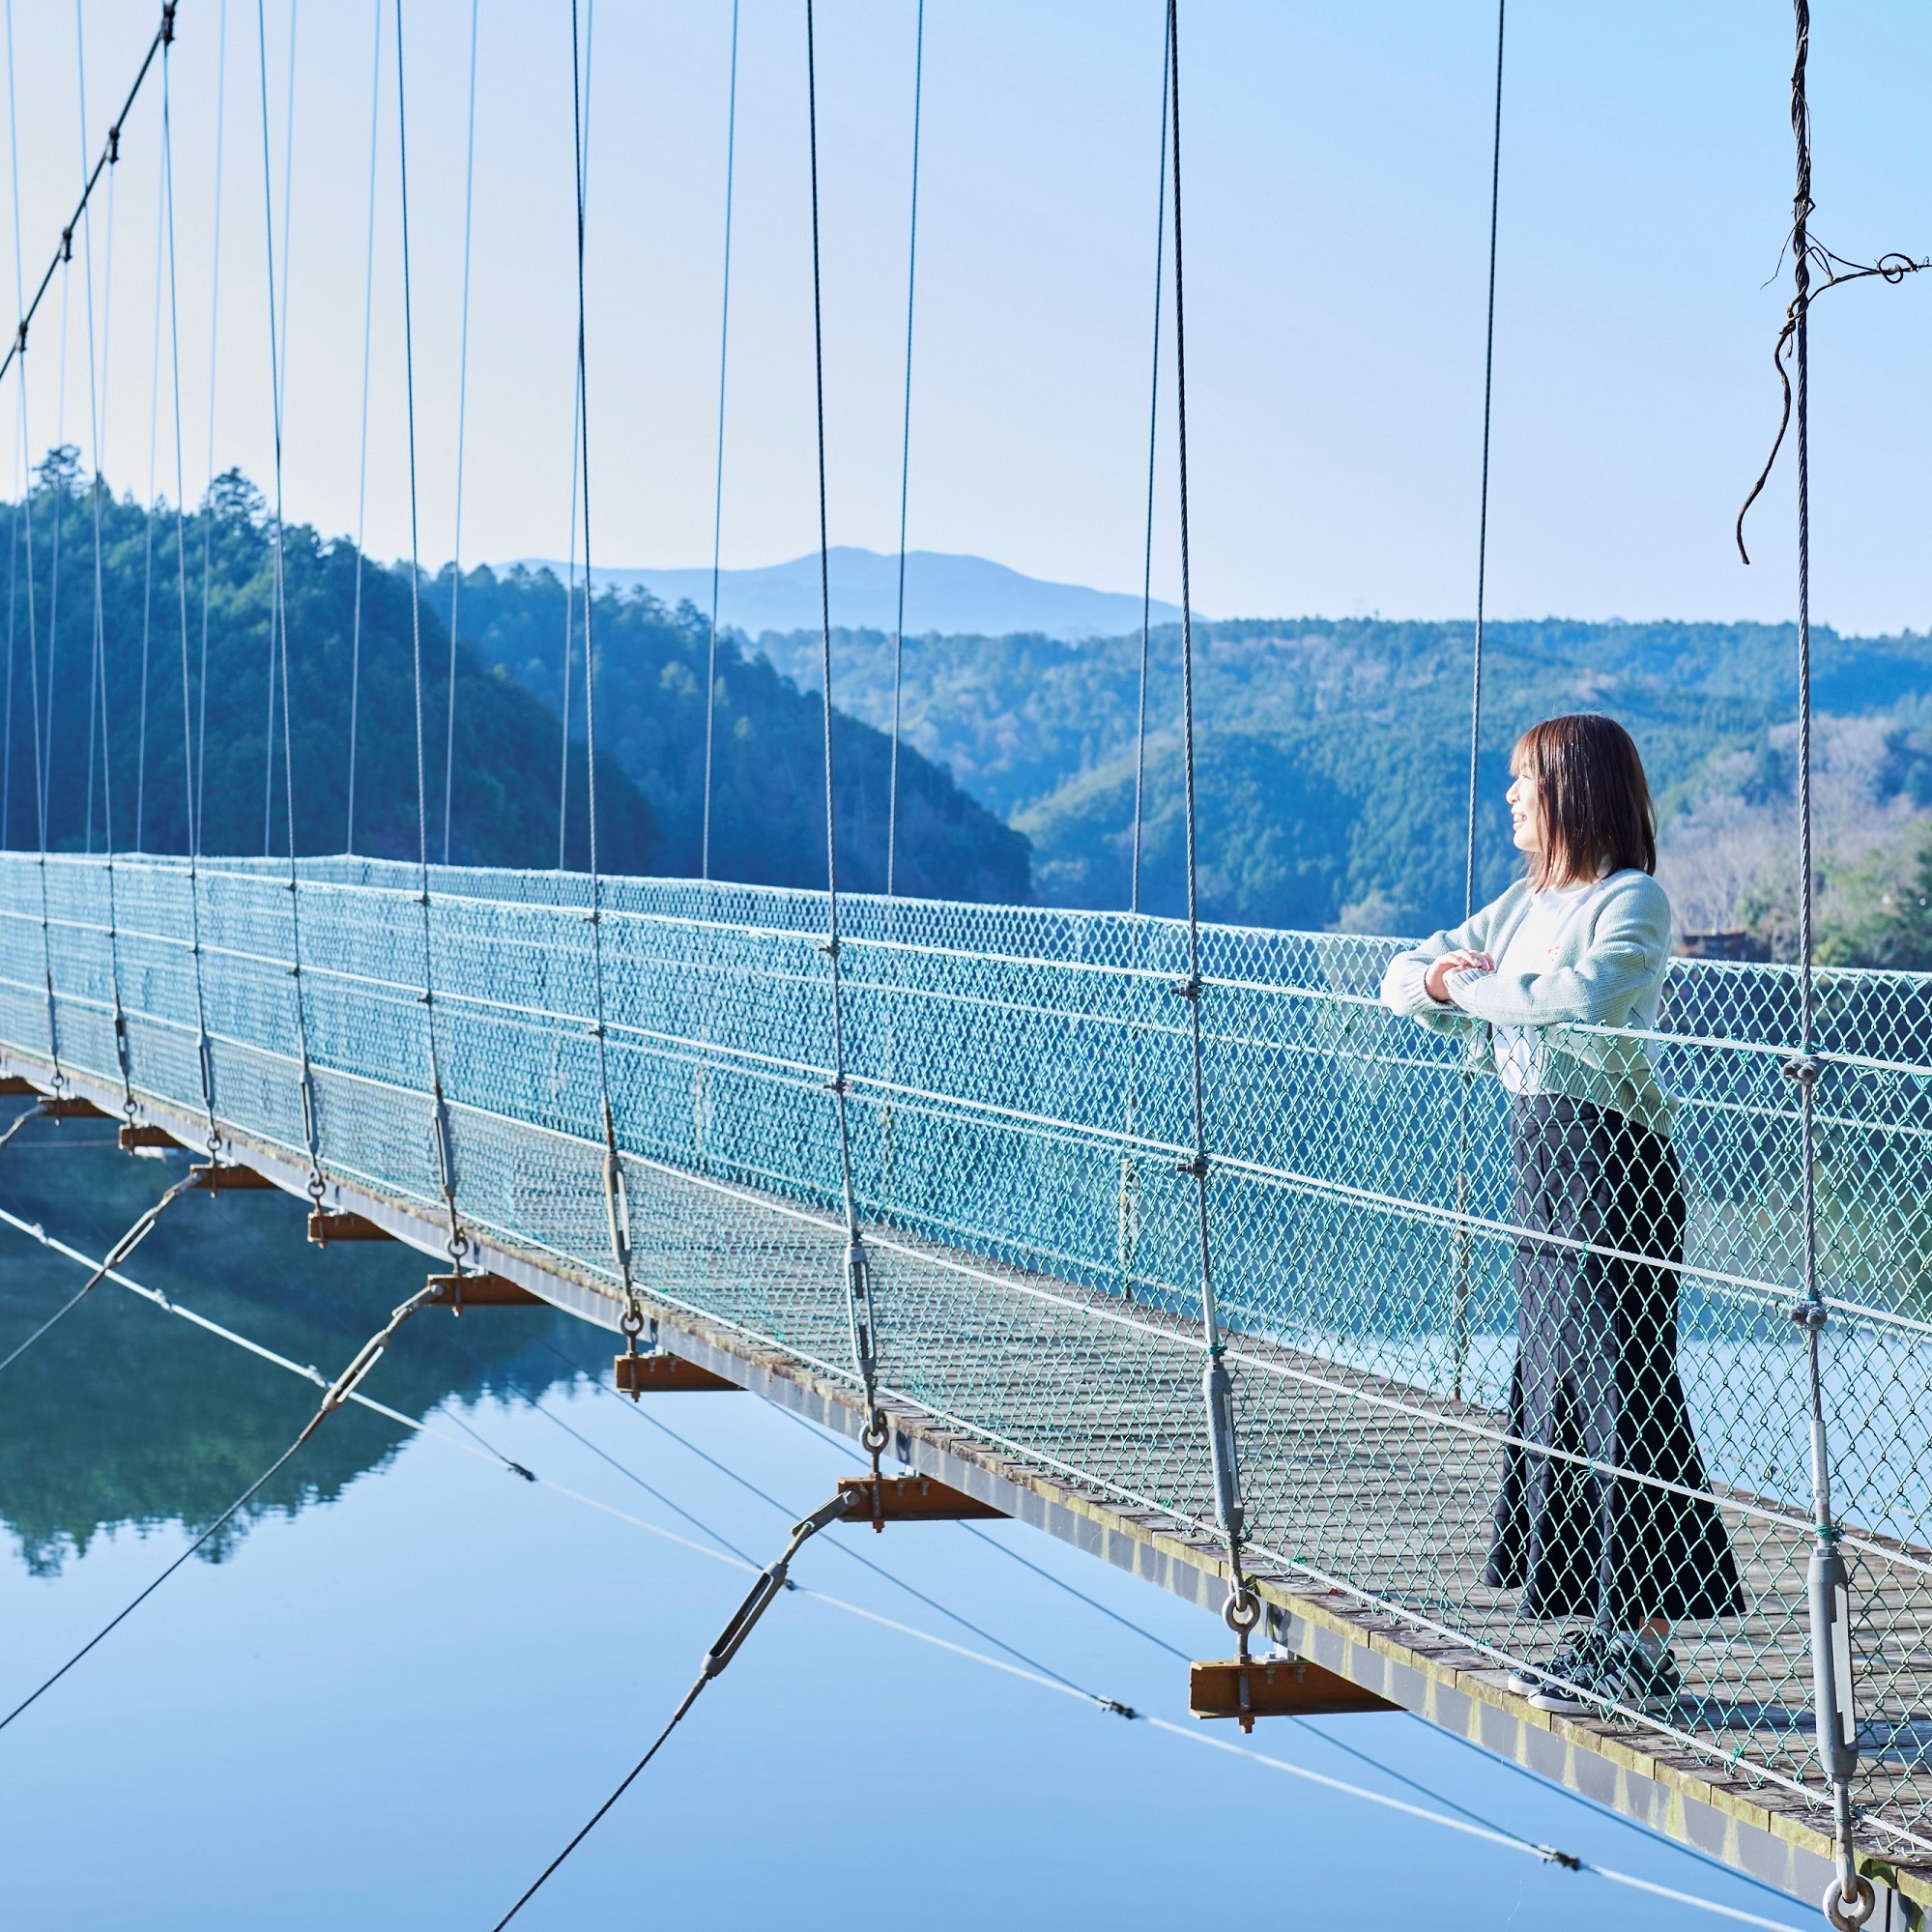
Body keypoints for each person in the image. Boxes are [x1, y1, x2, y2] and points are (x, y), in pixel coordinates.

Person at [1380, 713, 1741, 1716]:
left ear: (1568, 789)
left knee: (1624, 1387)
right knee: (1558, 1389)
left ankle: (1645, 1649)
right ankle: (1604, 1633)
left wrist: (1467, 989)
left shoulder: (1634, 899)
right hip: (1539, 1158)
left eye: (1520, 781)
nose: (1507, 798)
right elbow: (1399, 977)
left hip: (1616, 1160)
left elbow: (1579, 995)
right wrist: (1458, 980)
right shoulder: (1524, 903)